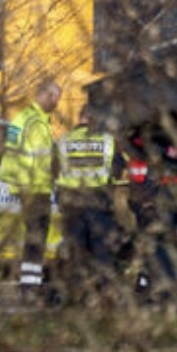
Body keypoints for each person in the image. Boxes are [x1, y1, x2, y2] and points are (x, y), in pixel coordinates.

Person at [54, 120, 129, 301]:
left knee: (76, 251)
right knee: (102, 250)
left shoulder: (64, 140)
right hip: (98, 201)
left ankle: (76, 293)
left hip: (72, 202)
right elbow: (119, 167)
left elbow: (52, 168)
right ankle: (104, 294)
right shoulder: (107, 140)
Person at [4, 80, 60, 298]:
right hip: (35, 187)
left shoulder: (20, 118)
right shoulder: (37, 123)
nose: (56, 104)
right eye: (56, 99)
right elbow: (41, 159)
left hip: (22, 186)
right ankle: (30, 287)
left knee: (32, 238)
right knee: (36, 239)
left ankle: (29, 284)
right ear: (49, 96)